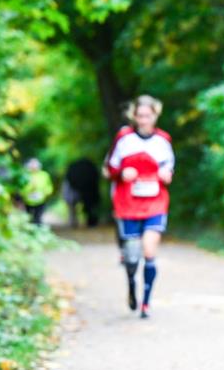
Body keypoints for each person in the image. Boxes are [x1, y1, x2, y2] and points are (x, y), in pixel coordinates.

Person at [104, 95, 175, 317]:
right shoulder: (124, 138)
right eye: (140, 115)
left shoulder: (163, 140)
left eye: (148, 115)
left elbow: (169, 169)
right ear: (133, 116)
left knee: (149, 250)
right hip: (128, 204)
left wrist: (166, 174)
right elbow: (109, 168)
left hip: (155, 202)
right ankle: (131, 285)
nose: (144, 120)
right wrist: (121, 173)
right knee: (133, 256)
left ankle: (146, 302)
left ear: (155, 115)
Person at [63, 158, 101, 228]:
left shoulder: (73, 171)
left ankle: (73, 223)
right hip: (86, 192)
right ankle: (90, 222)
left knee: (73, 209)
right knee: (89, 207)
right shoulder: (90, 170)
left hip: (76, 192)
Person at [21, 158, 54, 225]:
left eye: (35, 165)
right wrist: (27, 191)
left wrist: (46, 193)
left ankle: (37, 228)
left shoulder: (44, 175)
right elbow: (22, 187)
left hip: (41, 199)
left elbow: (49, 186)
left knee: (38, 218)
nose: (34, 167)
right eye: (32, 165)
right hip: (28, 200)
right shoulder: (25, 175)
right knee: (29, 218)